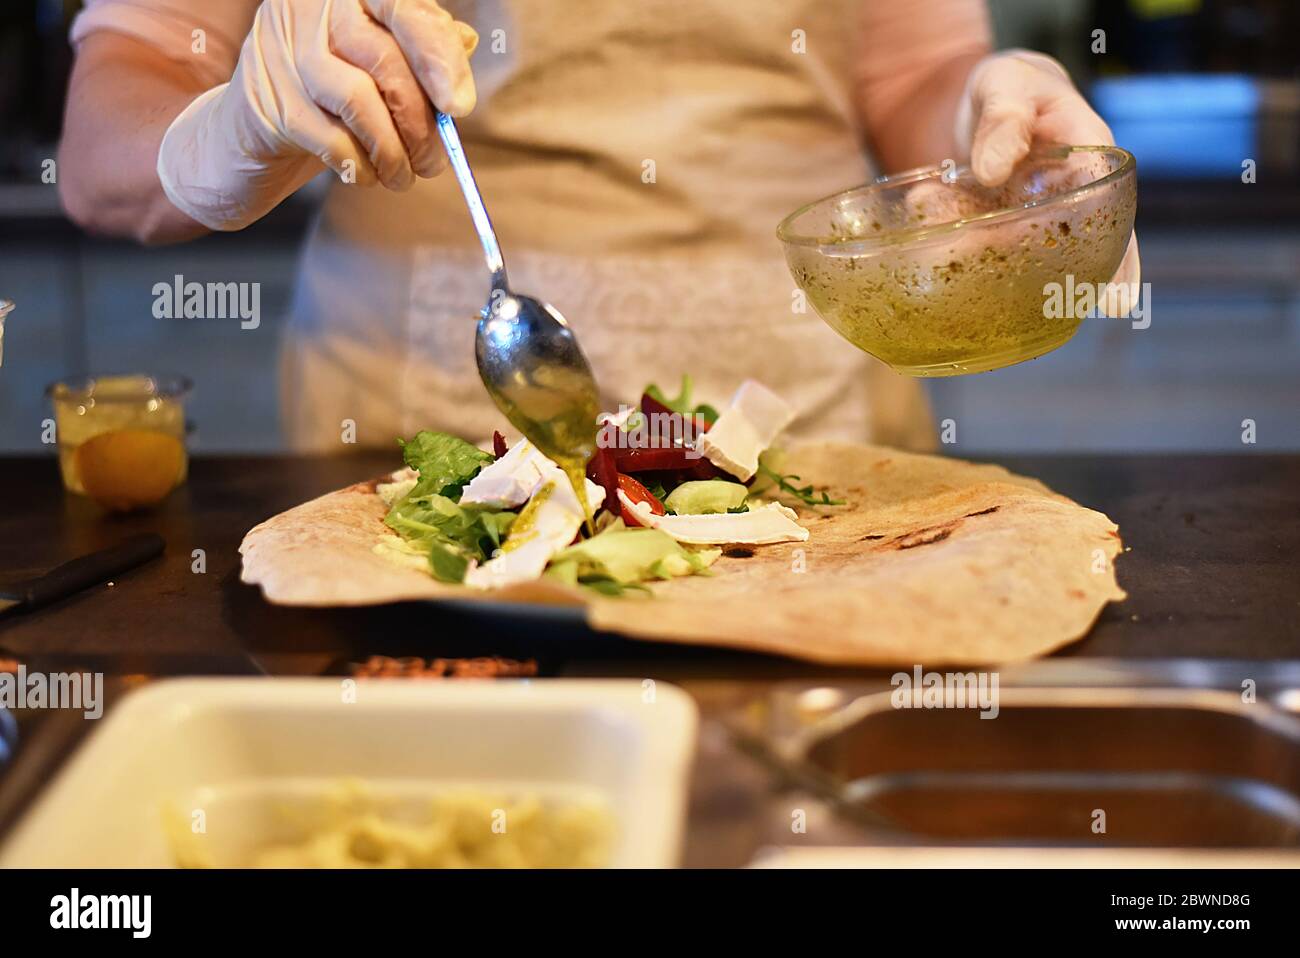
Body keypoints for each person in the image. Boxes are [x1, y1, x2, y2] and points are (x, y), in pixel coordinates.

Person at [58, 0, 1139, 452]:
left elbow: (908, 67)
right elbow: (111, 120)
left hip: (812, 423)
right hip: (419, 435)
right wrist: (228, 130)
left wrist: (980, 113)